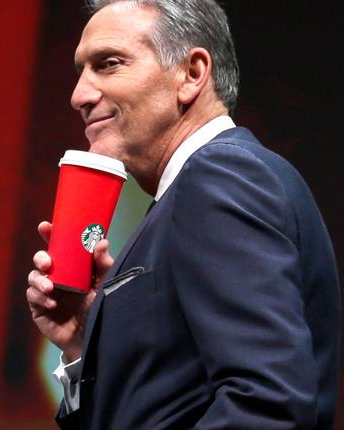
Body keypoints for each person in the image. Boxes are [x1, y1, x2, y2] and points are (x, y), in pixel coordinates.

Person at [25, 0, 341, 428]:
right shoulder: (200, 186)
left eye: (108, 63)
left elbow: (268, 405)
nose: (79, 95)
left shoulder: (220, 175)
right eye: (81, 71)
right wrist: (86, 343)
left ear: (191, 74)